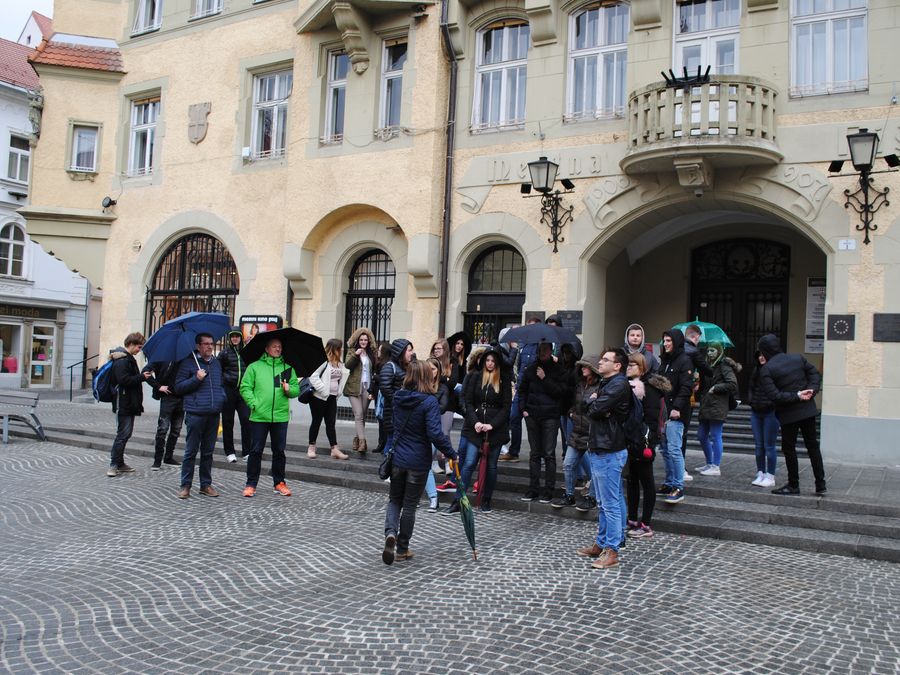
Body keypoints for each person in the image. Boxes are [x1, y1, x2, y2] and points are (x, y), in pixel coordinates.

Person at [382, 360, 458, 565]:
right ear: (425, 377)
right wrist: (451, 453)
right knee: (409, 505)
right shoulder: (429, 402)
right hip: (418, 461)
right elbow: (435, 433)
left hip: (398, 457)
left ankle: (390, 533)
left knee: (394, 500)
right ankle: (402, 548)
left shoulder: (398, 397)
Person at [576, 347, 632, 569]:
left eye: (606, 360)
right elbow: (585, 406)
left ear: (617, 366)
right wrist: (594, 401)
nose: (600, 362)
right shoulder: (605, 384)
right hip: (601, 447)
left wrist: (595, 401)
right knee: (605, 502)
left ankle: (612, 551)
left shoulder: (618, 384)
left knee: (610, 504)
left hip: (609, 449)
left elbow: (595, 409)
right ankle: (601, 544)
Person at [756, 334, 826, 496]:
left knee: (789, 449)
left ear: (765, 351)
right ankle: (820, 484)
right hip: (808, 409)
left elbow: (774, 395)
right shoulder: (797, 358)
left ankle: (794, 484)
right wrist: (811, 390)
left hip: (789, 415)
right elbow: (815, 375)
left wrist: (797, 395)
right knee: (813, 446)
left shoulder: (767, 369)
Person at [446, 348, 512, 514]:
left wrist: (492, 425)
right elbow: (468, 402)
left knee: (491, 466)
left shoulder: (503, 379)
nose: (490, 364)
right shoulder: (476, 377)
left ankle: (486, 499)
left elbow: (506, 407)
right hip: (474, 427)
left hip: (495, 429)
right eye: (487, 361)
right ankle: (458, 500)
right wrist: (475, 422)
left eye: (493, 361)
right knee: (468, 463)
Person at [239, 336, 300, 497]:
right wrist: (254, 404)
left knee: (279, 451)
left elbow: (296, 390)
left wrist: (289, 389)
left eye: (279, 346)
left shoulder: (287, 368)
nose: (278, 349)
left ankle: (279, 483)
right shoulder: (255, 367)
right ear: (266, 349)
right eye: (274, 346)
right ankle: (251, 484)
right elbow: (245, 388)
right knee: (256, 451)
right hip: (259, 416)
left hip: (280, 417)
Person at [173, 333, 226, 499]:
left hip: (213, 413)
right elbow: (179, 387)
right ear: (198, 346)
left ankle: (205, 485)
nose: (210, 347)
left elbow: (220, 385)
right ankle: (185, 485)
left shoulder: (216, 364)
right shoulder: (188, 363)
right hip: (195, 413)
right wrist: (196, 379)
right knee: (191, 452)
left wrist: (221, 398)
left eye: (211, 343)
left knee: (208, 452)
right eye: (206, 344)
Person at [625, 353, 671, 539]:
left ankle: (646, 524)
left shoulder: (648, 388)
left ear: (642, 368)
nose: (628, 367)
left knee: (647, 482)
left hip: (643, 442)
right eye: (627, 364)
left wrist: (647, 442)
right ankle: (633, 519)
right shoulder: (630, 386)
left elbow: (651, 419)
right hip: (631, 441)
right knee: (632, 482)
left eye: (633, 364)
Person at [552, 355, 601, 509]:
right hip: (577, 431)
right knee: (568, 464)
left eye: (586, 366)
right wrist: (571, 413)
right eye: (581, 366)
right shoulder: (580, 385)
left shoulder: (600, 387)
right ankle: (569, 495)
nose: (582, 368)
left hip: (591, 432)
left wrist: (592, 400)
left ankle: (592, 498)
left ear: (593, 369)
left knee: (594, 470)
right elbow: (575, 404)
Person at [518, 341, 563, 503]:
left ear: (551, 351)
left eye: (545, 350)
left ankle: (549, 490)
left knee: (549, 454)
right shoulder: (530, 369)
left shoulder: (558, 369)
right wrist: (523, 409)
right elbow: (522, 390)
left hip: (550, 416)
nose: (542, 352)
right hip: (532, 415)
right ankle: (533, 489)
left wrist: (545, 379)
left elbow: (560, 392)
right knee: (535, 454)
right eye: (540, 350)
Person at [657, 330, 694, 505]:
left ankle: (678, 486)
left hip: (676, 412)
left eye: (669, 340)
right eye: (664, 340)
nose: (665, 343)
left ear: (677, 341)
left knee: (674, 449)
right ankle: (670, 482)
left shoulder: (685, 360)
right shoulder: (665, 360)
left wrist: (677, 407)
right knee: (664, 449)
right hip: (663, 410)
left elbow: (686, 388)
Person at [106, 332, 151, 477]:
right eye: (139, 347)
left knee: (125, 434)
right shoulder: (122, 360)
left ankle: (120, 463)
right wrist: (142, 377)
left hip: (128, 402)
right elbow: (124, 380)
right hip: (123, 402)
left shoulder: (127, 358)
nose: (139, 350)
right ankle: (114, 464)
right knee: (122, 434)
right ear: (131, 344)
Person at [694, 342, 741, 477]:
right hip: (707, 404)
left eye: (713, 350)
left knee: (715, 435)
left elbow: (732, 384)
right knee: (701, 435)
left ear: (719, 351)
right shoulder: (708, 365)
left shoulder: (724, 365)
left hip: (718, 405)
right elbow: (704, 386)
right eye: (708, 350)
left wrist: (716, 388)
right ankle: (709, 463)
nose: (709, 353)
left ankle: (716, 466)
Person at [501, 316, 542, 462]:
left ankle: (538, 453)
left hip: (536, 391)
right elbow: (519, 366)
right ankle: (514, 452)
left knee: (535, 424)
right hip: (521, 389)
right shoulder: (523, 345)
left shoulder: (542, 346)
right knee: (513, 418)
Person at [681, 324, 714, 481]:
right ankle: (680, 466)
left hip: (673, 396)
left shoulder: (676, 349)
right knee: (683, 433)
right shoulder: (693, 351)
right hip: (686, 396)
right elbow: (708, 370)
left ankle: (677, 466)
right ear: (695, 337)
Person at [309, 338, 351, 460]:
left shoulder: (339, 363)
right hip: (319, 397)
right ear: (334, 349)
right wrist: (323, 389)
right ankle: (311, 447)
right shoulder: (323, 362)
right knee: (316, 421)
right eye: (340, 348)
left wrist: (337, 393)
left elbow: (340, 380)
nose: (342, 350)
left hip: (332, 398)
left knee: (331, 423)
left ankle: (334, 449)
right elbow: (313, 377)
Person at [142, 359, 184, 470]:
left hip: (182, 397)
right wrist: (158, 386)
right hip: (168, 397)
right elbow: (145, 372)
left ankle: (168, 457)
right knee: (163, 428)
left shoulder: (186, 357)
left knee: (176, 429)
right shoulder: (162, 357)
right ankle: (157, 460)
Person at [217, 327, 251, 463]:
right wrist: (222, 383)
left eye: (237, 336)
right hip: (228, 390)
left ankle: (247, 451)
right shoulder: (224, 353)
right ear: (230, 338)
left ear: (241, 337)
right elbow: (217, 370)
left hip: (242, 391)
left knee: (246, 420)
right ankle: (229, 452)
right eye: (232, 336)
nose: (235, 338)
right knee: (227, 421)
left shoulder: (246, 352)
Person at [378, 338, 414, 455]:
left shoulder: (407, 366)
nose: (412, 353)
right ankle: (386, 470)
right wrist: (399, 400)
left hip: (402, 413)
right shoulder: (390, 366)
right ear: (401, 352)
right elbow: (385, 387)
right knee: (391, 442)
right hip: (392, 414)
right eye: (409, 350)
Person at [344, 327, 376, 455]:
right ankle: (362, 441)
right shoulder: (352, 351)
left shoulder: (370, 354)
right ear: (358, 340)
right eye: (361, 339)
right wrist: (356, 355)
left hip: (366, 387)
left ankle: (357, 438)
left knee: (362, 415)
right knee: (358, 414)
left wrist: (372, 390)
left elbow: (373, 371)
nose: (363, 342)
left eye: (366, 340)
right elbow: (347, 365)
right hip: (353, 387)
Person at [748, 351, 778, 488]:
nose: (761, 357)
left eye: (764, 355)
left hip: (770, 412)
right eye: (759, 355)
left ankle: (770, 476)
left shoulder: (776, 370)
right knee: (759, 446)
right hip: (756, 411)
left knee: (769, 446)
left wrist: (773, 403)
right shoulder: (756, 370)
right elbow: (751, 387)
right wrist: (751, 401)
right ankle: (760, 472)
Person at [372, 341, 392, 455]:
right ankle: (381, 444)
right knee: (381, 420)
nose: (378, 352)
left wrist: (375, 377)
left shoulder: (386, 364)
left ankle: (383, 444)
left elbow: (385, 379)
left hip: (382, 396)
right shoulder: (380, 363)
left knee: (383, 420)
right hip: (378, 394)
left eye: (379, 350)